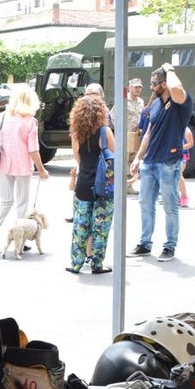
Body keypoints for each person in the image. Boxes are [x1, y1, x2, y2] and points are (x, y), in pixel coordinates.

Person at [129, 62, 192, 262]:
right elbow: (148, 133)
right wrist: (138, 157)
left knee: (170, 206)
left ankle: (169, 246)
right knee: (146, 204)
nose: (150, 87)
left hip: (168, 162)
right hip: (150, 162)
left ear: (164, 83)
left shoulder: (181, 101)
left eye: (154, 83)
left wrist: (170, 69)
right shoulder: (155, 105)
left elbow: (176, 89)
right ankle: (145, 243)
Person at [0, 86, 49, 251]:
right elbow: (33, 149)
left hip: (4, 164)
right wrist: (41, 170)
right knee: (22, 203)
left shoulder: (1, 116)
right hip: (23, 166)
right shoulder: (30, 122)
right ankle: (21, 240)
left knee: (6, 201)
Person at [66, 95, 115, 275]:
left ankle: (76, 263)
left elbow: (78, 159)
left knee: (80, 226)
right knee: (100, 228)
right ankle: (96, 264)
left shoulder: (76, 134)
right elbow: (113, 157)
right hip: (103, 187)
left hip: (83, 184)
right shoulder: (105, 132)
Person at [112, 77, 144, 194]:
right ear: (129, 87)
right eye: (136, 87)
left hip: (135, 135)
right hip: (124, 135)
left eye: (140, 87)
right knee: (123, 160)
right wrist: (120, 130)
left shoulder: (141, 102)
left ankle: (129, 186)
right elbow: (113, 116)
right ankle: (121, 186)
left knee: (133, 160)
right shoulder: (123, 100)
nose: (138, 89)